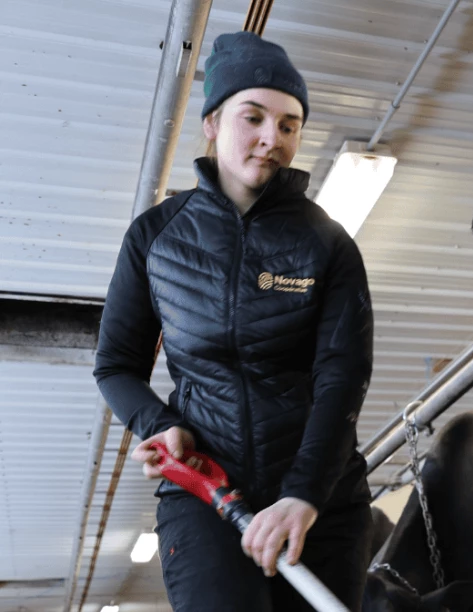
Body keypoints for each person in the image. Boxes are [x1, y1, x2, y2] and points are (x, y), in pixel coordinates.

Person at [94, 30, 374, 611]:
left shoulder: (328, 244)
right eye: (254, 117)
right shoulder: (155, 238)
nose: (272, 138)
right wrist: (158, 424)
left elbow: (341, 378)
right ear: (213, 122)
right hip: (209, 491)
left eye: (290, 125)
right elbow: (116, 366)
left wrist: (304, 495)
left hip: (321, 498)